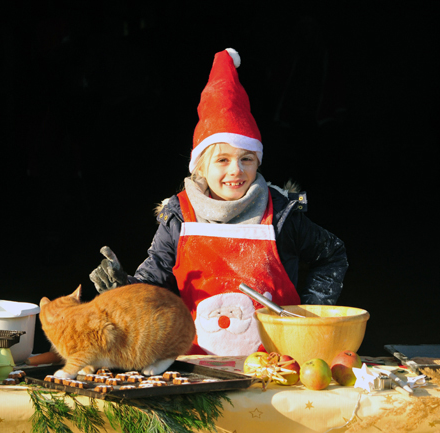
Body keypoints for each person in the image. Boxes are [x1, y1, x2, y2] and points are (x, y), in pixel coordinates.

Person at [89, 48, 348, 356]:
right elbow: (153, 286)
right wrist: (121, 288)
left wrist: (309, 318)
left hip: (277, 369)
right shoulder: (179, 217)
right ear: (201, 168)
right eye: (222, 160)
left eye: (246, 159)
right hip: (197, 369)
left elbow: (332, 254)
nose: (236, 170)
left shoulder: (280, 214)